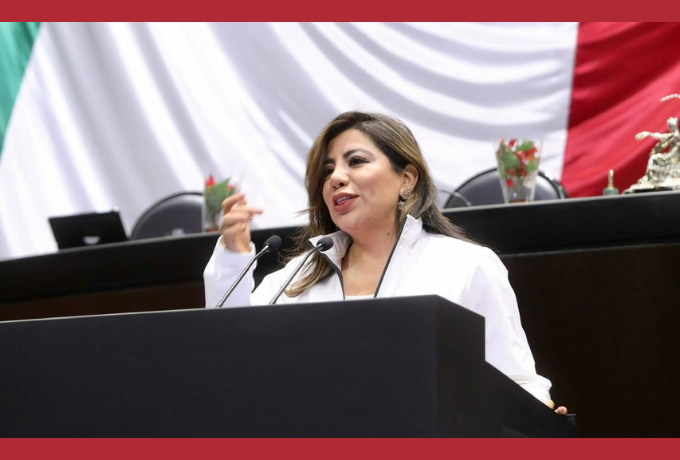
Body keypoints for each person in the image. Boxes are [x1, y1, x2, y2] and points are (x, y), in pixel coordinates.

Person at [204, 111, 567, 414]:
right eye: (327, 171)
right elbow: (230, 358)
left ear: (406, 179)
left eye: (356, 161)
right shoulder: (297, 278)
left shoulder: (465, 265)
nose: (335, 178)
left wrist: (536, 417)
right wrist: (233, 257)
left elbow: (516, 381)